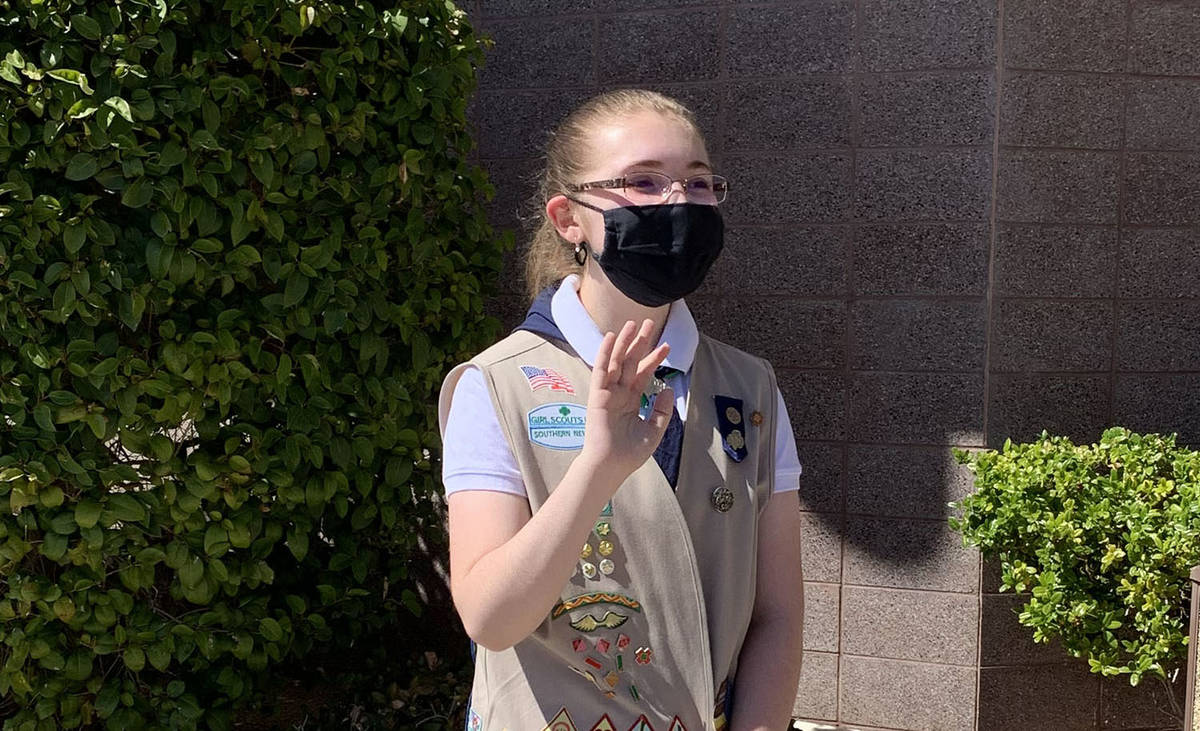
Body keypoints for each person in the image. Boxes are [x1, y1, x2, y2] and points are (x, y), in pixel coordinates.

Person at [437, 89, 804, 731]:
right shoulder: (495, 387)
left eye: (698, 183)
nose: (677, 203)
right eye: (642, 182)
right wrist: (598, 468)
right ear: (568, 218)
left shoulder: (751, 391)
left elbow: (775, 614)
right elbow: (490, 620)